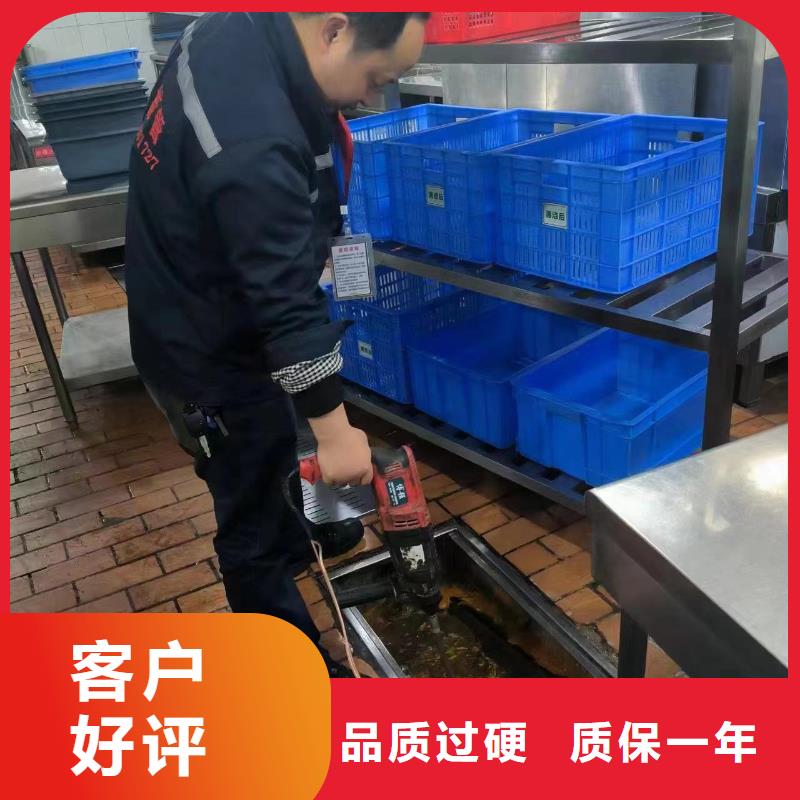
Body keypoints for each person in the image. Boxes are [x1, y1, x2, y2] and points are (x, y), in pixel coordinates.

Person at [125, 12, 428, 674]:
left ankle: (304, 531)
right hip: (207, 357)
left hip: (212, 303)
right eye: (377, 77)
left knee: (283, 450)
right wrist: (338, 432)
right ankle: (289, 668)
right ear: (334, 31)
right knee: (251, 523)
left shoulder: (236, 26)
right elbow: (284, 302)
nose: (373, 96)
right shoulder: (254, 140)